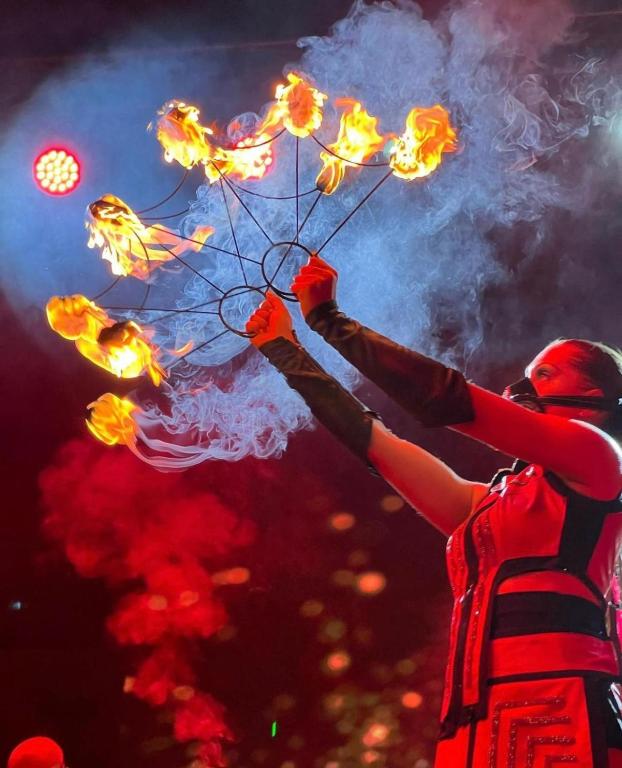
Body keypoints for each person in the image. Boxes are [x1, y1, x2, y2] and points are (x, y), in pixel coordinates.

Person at [246, 255, 622, 768]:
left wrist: (330, 322)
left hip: (564, 718)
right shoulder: (488, 504)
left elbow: (446, 400)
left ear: (594, 396)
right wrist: (287, 354)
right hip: (473, 728)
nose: (522, 387)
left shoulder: (599, 456)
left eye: (546, 374)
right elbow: (378, 444)